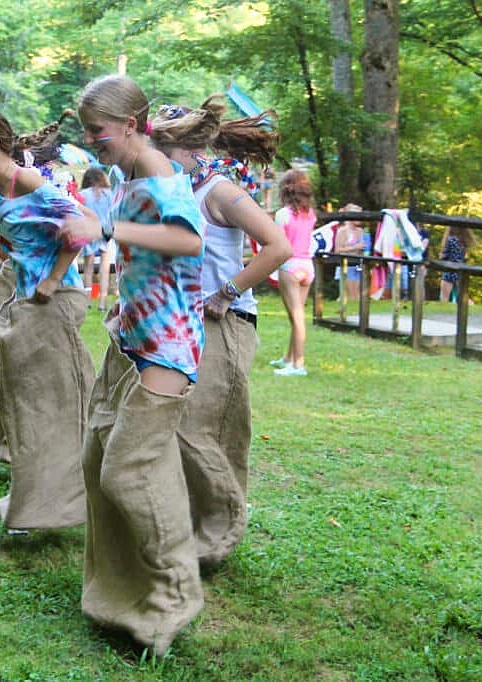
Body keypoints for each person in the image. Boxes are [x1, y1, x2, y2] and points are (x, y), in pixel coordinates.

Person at [68, 74, 207, 657]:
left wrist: (102, 227)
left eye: (100, 136)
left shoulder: (154, 170)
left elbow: (190, 240)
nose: (96, 147)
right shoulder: (132, 175)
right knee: (101, 459)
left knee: (129, 472)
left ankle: (174, 598)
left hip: (169, 347)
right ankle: (121, 596)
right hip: (134, 339)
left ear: (130, 126)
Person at [151, 94, 291, 565]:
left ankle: (216, 537)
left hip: (225, 325)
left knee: (203, 430)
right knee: (173, 427)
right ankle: (188, 528)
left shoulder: (220, 191)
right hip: (181, 326)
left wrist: (224, 294)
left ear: (186, 149)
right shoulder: (176, 190)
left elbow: (278, 247)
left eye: (161, 151)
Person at [0, 110, 96, 532]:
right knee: (1, 370)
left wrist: (53, 279)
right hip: (26, 294)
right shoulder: (1, 184)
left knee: (40, 405)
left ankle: (45, 503)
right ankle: (25, 465)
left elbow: (86, 225)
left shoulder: (29, 182)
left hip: (50, 301)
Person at [269, 169, 316, 376]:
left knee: (297, 317)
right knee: (295, 316)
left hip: (290, 265)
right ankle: (288, 358)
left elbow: (279, 245)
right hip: (307, 265)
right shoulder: (311, 214)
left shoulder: (283, 215)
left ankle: (298, 364)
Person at [77, 166, 113, 312]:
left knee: (88, 268)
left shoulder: (83, 194)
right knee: (105, 268)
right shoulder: (109, 194)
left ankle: (87, 300)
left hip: (89, 231)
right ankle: (103, 302)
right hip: (107, 231)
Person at [333, 203, 365, 301]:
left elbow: (362, 249)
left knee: (358, 296)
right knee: (349, 295)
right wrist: (355, 247)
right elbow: (337, 250)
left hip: (357, 266)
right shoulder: (342, 231)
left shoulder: (361, 231)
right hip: (346, 265)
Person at [438, 226, 477, 302]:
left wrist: (442, 255)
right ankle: (470, 305)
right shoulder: (463, 242)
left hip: (449, 270)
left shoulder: (450, 240)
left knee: (444, 296)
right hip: (459, 270)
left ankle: (443, 312)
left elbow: (444, 256)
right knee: (461, 296)